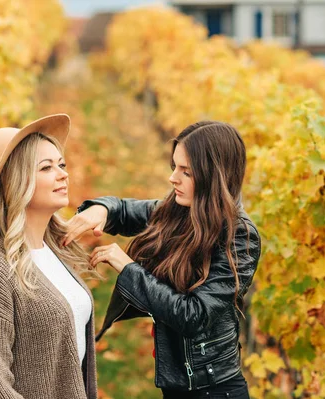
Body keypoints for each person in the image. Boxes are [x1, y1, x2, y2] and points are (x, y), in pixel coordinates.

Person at [63, 121, 261, 399]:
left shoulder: (239, 235)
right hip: (180, 387)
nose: (173, 179)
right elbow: (127, 211)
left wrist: (128, 268)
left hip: (213, 391)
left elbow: (194, 316)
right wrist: (101, 210)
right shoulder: (180, 211)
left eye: (186, 172)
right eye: (174, 167)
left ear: (213, 177)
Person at [0, 114, 98, 399]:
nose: (63, 174)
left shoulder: (55, 252)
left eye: (61, 164)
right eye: (46, 168)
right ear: (16, 181)